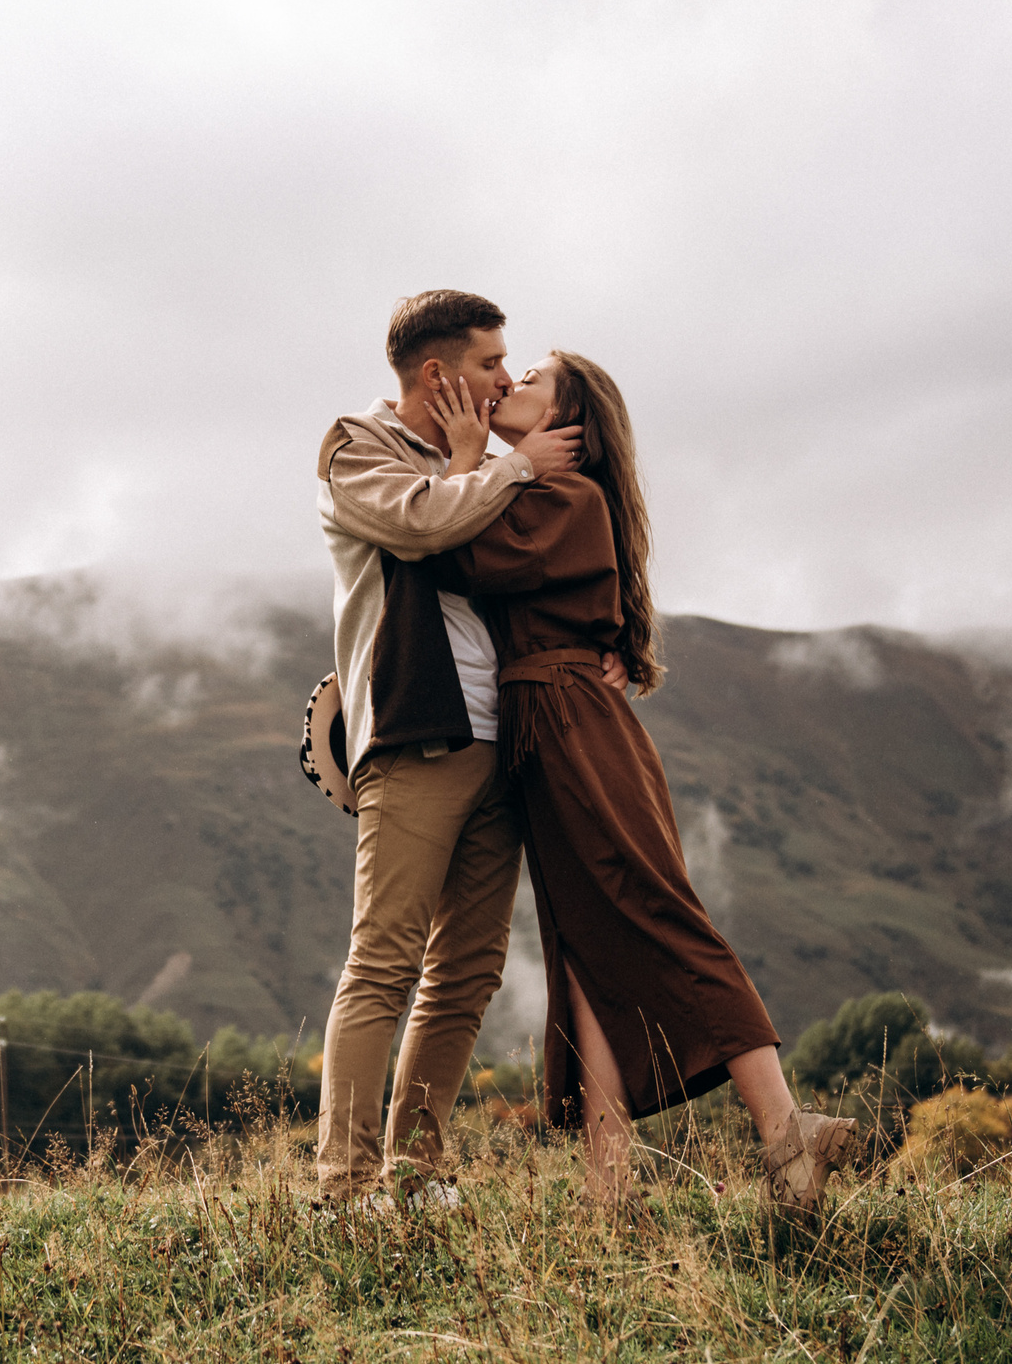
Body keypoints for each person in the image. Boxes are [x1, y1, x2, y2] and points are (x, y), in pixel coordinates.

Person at [422, 351, 856, 1215]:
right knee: (580, 946)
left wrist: (474, 460)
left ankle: (784, 1127)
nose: (507, 385)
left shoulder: (566, 498)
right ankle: (609, 1181)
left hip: (575, 726)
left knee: (657, 912)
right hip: (549, 724)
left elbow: (455, 557)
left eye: (531, 380)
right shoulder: (539, 493)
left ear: (570, 426)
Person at [312, 290, 600, 1204]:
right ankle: (344, 1184)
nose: (507, 378)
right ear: (437, 374)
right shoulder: (356, 448)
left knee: (467, 969)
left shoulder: (481, 460)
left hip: (503, 736)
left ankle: (413, 1169)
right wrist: (506, 467)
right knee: (385, 957)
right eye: (489, 363)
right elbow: (422, 524)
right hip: (414, 731)